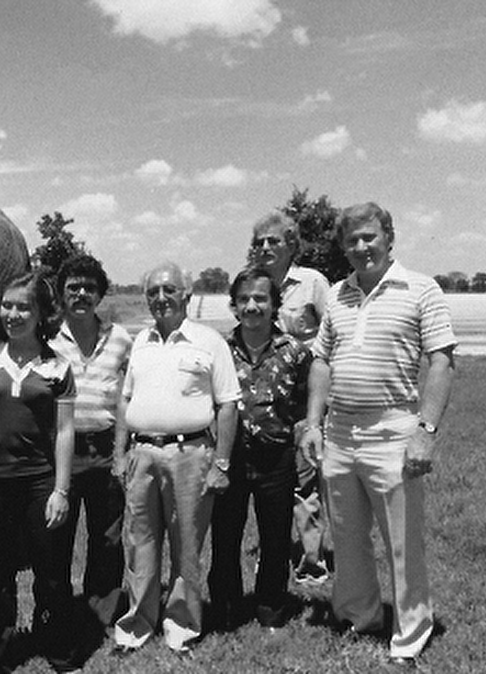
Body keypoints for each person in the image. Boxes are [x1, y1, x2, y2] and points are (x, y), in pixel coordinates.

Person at [299, 202, 456, 666]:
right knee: (346, 536)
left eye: (369, 237)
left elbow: (442, 362)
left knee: (402, 540)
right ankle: (358, 616)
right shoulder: (339, 296)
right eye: (352, 240)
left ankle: (412, 630)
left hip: (394, 430)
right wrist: (313, 424)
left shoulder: (421, 289)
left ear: (389, 237)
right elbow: (322, 361)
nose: (361, 247)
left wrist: (425, 431)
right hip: (341, 431)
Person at [113, 262, 240, 655]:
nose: (161, 298)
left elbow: (228, 404)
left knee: (186, 541)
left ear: (186, 293)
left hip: (190, 454)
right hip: (142, 454)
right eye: (153, 291)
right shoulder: (142, 341)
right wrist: (119, 453)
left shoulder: (209, 341)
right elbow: (125, 399)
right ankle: (137, 623)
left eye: (169, 290)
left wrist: (221, 463)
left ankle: (182, 623)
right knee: (139, 542)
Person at [0, 271, 78, 673]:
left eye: (24, 307)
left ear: (41, 314)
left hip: (40, 482)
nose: (13, 314)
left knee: (51, 574)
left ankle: (57, 646)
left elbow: (66, 429)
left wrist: (62, 489)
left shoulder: (58, 367)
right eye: (7, 305)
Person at [208, 267, 311, 631]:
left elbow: (304, 404)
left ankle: (271, 608)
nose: (252, 306)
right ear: (234, 306)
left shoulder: (295, 353)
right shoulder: (218, 350)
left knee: (275, 539)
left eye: (261, 299)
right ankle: (225, 609)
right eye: (244, 299)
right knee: (225, 538)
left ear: (275, 305)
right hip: (228, 459)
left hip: (276, 460)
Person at [50, 254, 132, 629]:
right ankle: (55, 611)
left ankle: (102, 613)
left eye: (89, 288)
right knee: (56, 538)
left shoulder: (119, 339)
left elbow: (127, 397)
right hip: (59, 455)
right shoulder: (47, 338)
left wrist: (121, 453)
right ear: (61, 294)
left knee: (107, 537)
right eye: (73, 287)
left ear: (100, 295)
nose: (81, 294)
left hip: (105, 450)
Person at [250, 212, 333, 584]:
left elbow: (332, 336)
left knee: (305, 479)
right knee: (268, 480)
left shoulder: (313, 283)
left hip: (304, 398)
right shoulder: (254, 285)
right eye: (260, 242)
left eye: (274, 241)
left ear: (291, 246)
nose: (266, 248)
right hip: (266, 401)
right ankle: (271, 557)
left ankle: (311, 563)